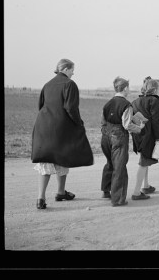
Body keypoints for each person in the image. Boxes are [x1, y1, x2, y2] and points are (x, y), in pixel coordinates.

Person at [31, 59, 94, 210]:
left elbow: (40, 105)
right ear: (65, 69)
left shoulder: (47, 84)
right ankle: (60, 192)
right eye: (72, 69)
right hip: (60, 127)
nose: (73, 73)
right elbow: (71, 107)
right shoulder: (69, 84)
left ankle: (41, 198)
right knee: (63, 157)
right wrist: (79, 123)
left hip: (43, 126)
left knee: (45, 161)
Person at [100, 77, 144, 207]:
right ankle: (118, 199)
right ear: (125, 88)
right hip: (119, 136)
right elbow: (127, 125)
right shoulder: (126, 105)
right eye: (128, 87)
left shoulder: (107, 103)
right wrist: (139, 129)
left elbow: (102, 122)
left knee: (110, 163)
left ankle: (106, 190)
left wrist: (106, 132)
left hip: (105, 136)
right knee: (119, 167)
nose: (129, 90)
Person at [131, 77, 159, 200]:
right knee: (143, 163)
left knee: (145, 160)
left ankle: (145, 186)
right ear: (154, 89)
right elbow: (157, 120)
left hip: (139, 135)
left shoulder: (135, 101)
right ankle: (136, 192)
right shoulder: (154, 101)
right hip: (150, 135)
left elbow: (135, 119)